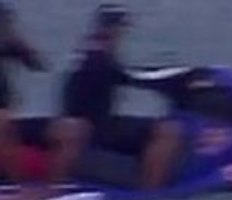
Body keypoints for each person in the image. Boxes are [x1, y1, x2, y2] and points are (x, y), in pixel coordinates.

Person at [50, 2, 181, 189]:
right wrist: (182, 77)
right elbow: (132, 77)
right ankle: (151, 191)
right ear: (116, 27)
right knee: (168, 130)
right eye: (121, 26)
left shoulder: (88, 50)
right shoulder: (98, 54)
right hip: (95, 127)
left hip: (87, 121)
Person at [0, 2, 48, 189]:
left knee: (7, 125)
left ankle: (15, 184)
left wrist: (18, 43)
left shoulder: (9, 46)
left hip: (4, 108)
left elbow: (38, 65)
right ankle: (16, 185)